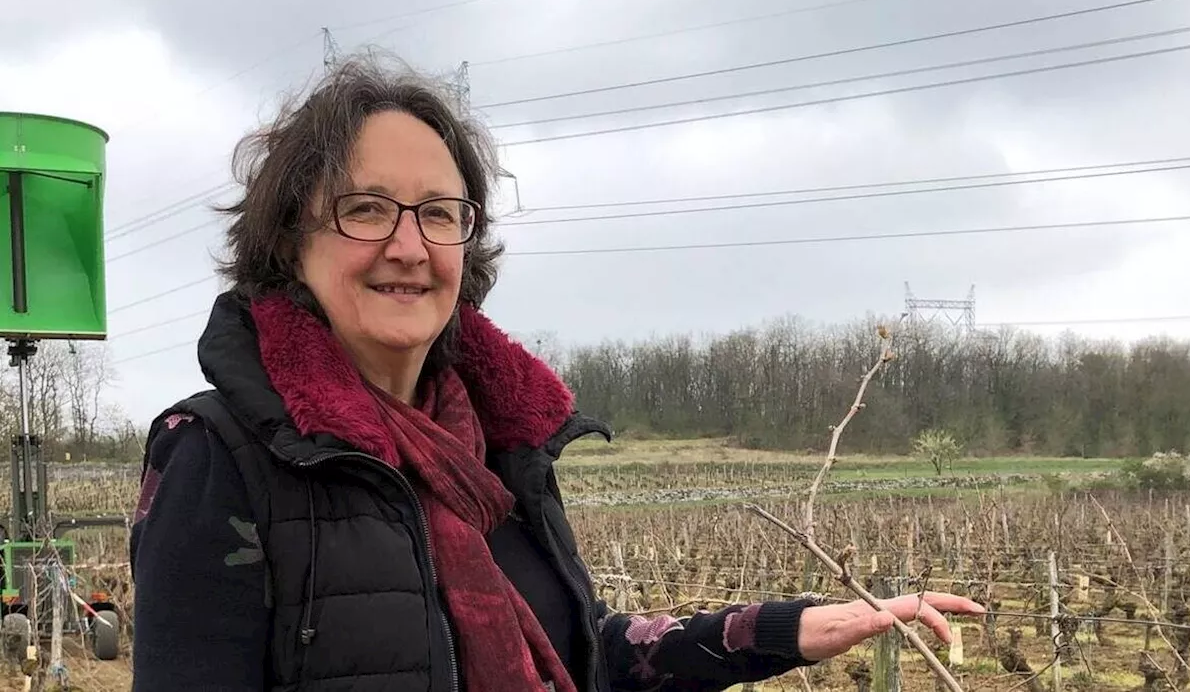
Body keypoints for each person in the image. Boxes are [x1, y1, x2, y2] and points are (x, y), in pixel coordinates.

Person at [128, 52, 983, 692]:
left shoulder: (499, 444)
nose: (408, 246)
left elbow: (586, 654)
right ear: (289, 240)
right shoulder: (220, 455)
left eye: (438, 213)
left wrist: (782, 629)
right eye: (365, 209)